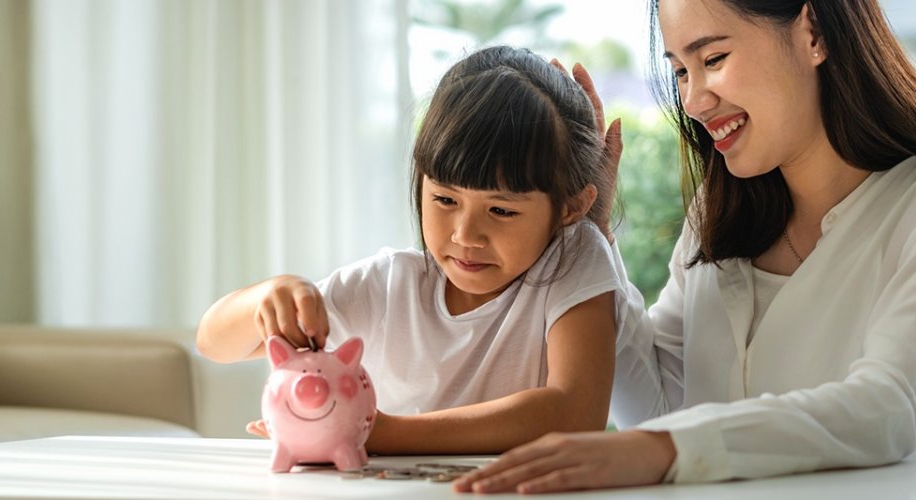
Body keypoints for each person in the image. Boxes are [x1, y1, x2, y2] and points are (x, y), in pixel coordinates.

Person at [454, 0, 916, 493]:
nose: (694, 100)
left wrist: (665, 450)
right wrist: (588, 237)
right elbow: (653, 409)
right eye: (679, 71)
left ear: (813, 31)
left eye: (713, 59)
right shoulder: (715, 218)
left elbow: (889, 408)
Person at [195, 45, 639, 455]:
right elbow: (213, 341)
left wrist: (378, 431)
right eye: (445, 200)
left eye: (501, 210)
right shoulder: (391, 285)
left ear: (571, 207)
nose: (466, 235)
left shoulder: (572, 258)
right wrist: (273, 293)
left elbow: (575, 412)